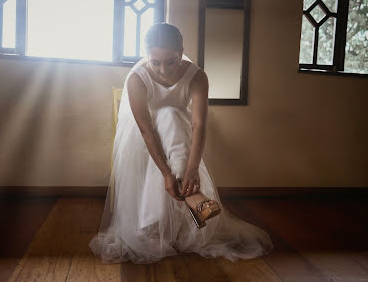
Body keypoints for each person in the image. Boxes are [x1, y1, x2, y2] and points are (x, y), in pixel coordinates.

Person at [89, 22, 274, 264]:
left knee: (170, 115)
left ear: (181, 52)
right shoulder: (137, 78)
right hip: (144, 142)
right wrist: (167, 172)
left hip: (180, 137)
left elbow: (199, 126)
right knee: (167, 115)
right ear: (147, 56)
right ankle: (193, 198)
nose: (163, 70)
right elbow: (146, 131)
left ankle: (153, 228)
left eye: (170, 61)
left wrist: (191, 169)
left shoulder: (197, 76)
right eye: (155, 62)